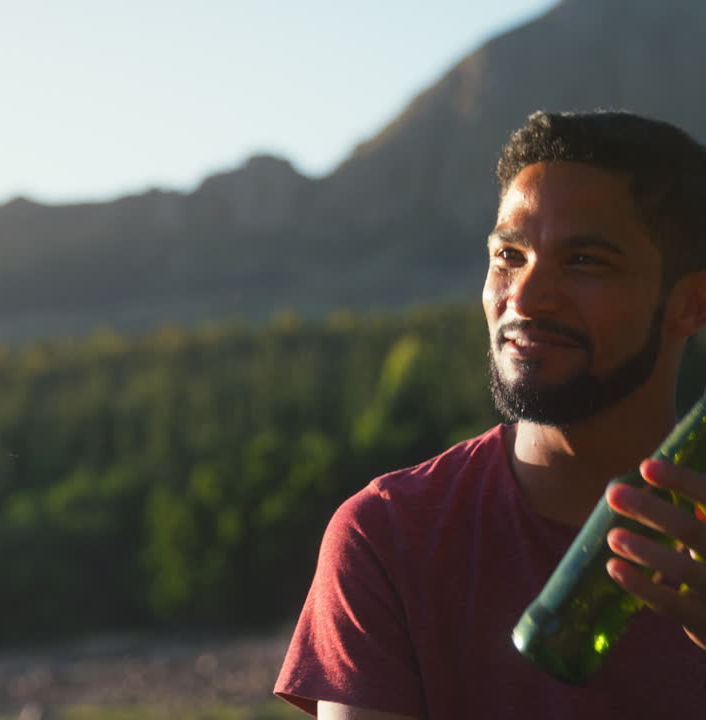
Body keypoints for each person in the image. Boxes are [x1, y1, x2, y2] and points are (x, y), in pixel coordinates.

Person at [275, 110, 706, 719]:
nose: (524, 298)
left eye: (584, 262)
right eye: (509, 254)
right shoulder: (390, 538)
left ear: (692, 304)